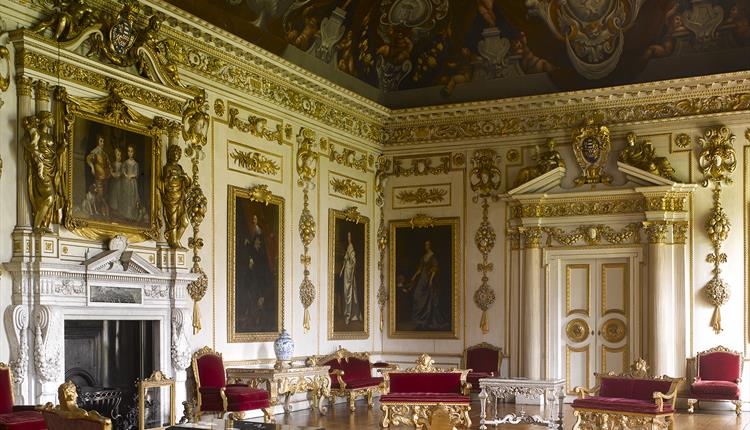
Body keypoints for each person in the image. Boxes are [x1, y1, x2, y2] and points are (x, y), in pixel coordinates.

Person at [409, 240, 446, 330]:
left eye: (427, 244)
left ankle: (425, 320)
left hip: (428, 279)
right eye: (425, 244)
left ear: (431, 245)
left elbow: (434, 269)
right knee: (417, 296)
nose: (426, 246)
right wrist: (414, 276)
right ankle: (420, 320)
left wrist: (430, 280)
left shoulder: (432, 256)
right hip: (422, 279)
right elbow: (420, 269)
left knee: (428, 298)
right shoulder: (424, 256)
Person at [161, 144, 191, 247]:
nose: (176, 155)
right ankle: (173, 242)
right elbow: (165, 182)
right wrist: (171, 178)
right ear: (169, 154)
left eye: (178, 153)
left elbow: (188, 184)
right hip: (171, 198)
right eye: (173, 153)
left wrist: (186, 177)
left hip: (180, 197)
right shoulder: (167, 167)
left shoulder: (179, 167)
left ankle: (176, 240)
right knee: (173, 222)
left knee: (185, 221)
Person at [339, 231, 362, 325]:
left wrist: (352, 269)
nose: (348, 238)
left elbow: (354, 260)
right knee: (346, 293)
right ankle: (347, 314)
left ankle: (349, 315)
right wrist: (341, 271)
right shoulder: (348, 246)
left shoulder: (351, 246)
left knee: (349, 292)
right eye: (347, 236)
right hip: (346, 271)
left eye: (350, 236)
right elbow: (345, 262)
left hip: (349, 272)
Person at [85, 134, 111, 217]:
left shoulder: (104, 153)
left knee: (105, 193)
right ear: (98, 142)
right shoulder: (95, 151)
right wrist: (92, 167)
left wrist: (110, 171)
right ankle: (99, 210)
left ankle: (103, 211)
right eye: (101, 141)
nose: (102, 143)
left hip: (105, 176)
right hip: (98, 175)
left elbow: (108, 163)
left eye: (103, 141)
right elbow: (88, 159)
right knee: (100, 193)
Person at [120, 144, 142, 221]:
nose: (130, 153)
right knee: (126, 197)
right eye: (129, 151)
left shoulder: (135, 163)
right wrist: (126, 175)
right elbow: (123, 170)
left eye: (131, 151)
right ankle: (126, 214)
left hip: (132, 183)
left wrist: (131, 176)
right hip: (126, 182)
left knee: (133, 197)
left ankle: (132, 215)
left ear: (133, 153)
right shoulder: (125, 162)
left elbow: (136, 174)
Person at [107, 146, 124, 214]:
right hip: (113, 182)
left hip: (119, 182)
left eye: (120, 155)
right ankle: (113, 208)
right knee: (113, 194)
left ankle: (119, 208)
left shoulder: (122, 164)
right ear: (115, 155)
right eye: (118, 155)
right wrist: (112, 173)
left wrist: (119, 174)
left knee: (119, 194)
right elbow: (111, 172)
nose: (119, 157)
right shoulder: (113, 164)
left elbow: (122, 172)